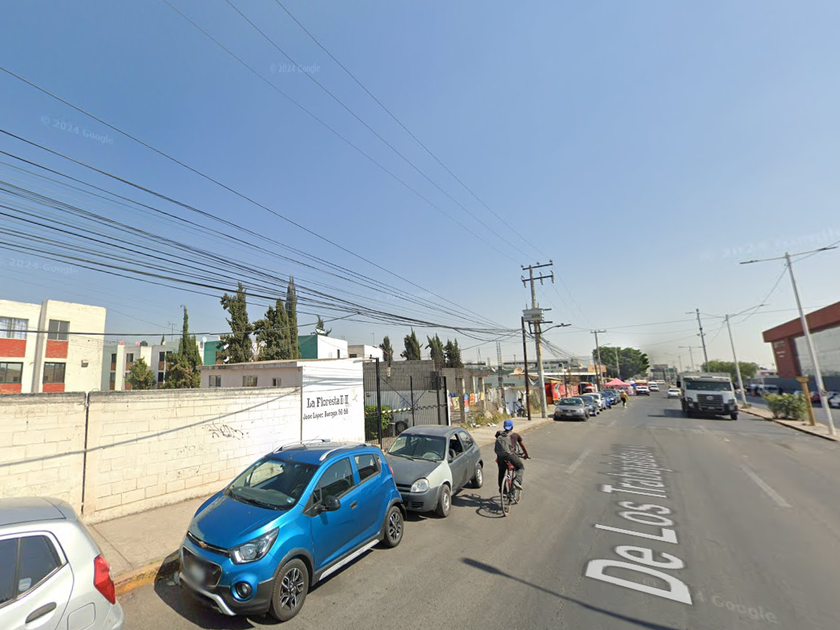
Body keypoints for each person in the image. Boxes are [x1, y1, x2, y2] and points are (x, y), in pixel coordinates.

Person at [495, 419, 529, 491]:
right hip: (510, 455)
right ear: (512, 427)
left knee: (501, 472)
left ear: (504, 427)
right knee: (520, 467)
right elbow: (522, 446)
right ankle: (517, 481)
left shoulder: (498, 433)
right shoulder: (516, 435)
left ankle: (503, 491)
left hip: (500, 456)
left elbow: (498, 438)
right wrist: (526, 455)